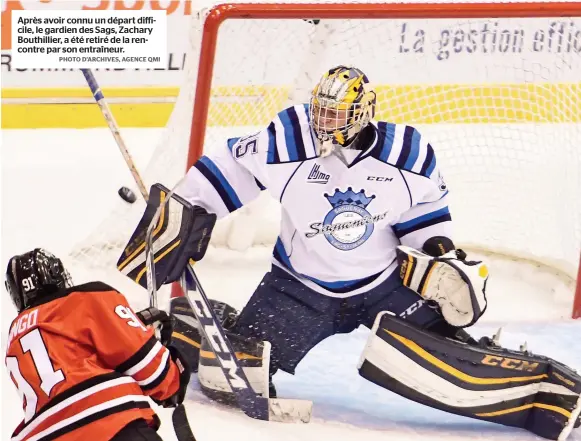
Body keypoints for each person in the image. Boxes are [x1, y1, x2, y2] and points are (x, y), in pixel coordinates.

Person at [118, 65, 581, 440]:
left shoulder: (407, 155)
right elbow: (230, 167)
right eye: (321, 111)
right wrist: (190, 209)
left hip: (387, 286)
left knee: (448, 368)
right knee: (231, 377)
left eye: (337, 114)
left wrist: (440, 253)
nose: (324, 122)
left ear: (363, 113)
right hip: (298, 290)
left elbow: (425, 215)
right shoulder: (288, 138)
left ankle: (547, 393)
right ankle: (190, 322)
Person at [4, 248, 191, 441]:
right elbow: (154, 371)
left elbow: (69, 365)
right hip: (108, 423)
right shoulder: (87, 297)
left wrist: (135, 325)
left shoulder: (14, 338)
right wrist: (174, 376)